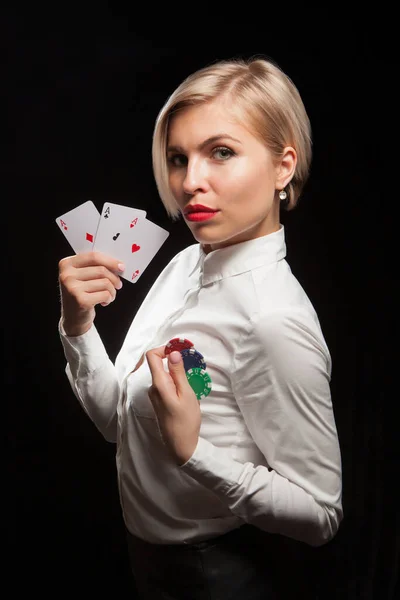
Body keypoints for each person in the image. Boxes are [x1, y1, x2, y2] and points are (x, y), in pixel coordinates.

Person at [58, 56, 343, 599]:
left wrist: (194, 452)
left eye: (222, 152)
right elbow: (118, 423)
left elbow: (322, 514)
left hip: (217, 577)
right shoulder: (186, 263)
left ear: (284, 167)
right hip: (147, 561)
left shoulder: (272, 320)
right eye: (177, 157)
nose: (190, 182)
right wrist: (78, 325)